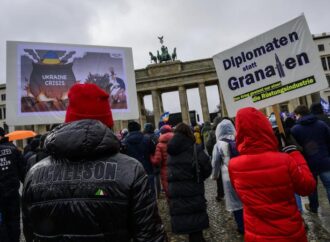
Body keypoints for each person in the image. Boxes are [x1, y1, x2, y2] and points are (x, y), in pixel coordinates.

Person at [22, 83, 166, 242]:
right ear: (108, 124)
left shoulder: (34, 174)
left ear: (68, 121)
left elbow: (31, 235)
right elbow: (150, 236)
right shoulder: (131, 170)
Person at [229, 107, 316, 242]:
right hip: (289, 233)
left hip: (256, 234)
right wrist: (295, 154)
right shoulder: (285, 160)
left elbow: (241, 194)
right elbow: (307, 187)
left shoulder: (234, 166)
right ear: (265, 127)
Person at [167, 123, 211, 242]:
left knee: (186, 218)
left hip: (177, 192)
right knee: (195, 222)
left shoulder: (171, 150)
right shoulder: (195, 148)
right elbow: (207, 168)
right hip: (193, 190)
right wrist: (200, 177)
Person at [291, 105, 330, 213]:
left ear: (298, 114)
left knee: (312, 188)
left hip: (308, 163)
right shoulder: (321, 124)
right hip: (325, 160)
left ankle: (314, 207)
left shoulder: (295, 129)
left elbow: (296, 148)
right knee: (329, 185)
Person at [211, 119, 244, 234]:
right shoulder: (239, 139)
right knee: (246, 198)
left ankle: (241, 226)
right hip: (243, 172)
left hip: (228, 175)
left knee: (235, 202)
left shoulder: (218, 144)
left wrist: (214, 176)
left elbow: (215, 162)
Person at [0, 127, 26, 242]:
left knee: (2, 223)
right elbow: (23, 172)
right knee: (14, 221)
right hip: (12, 194)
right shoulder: (13, 149)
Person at [122, 121, 156, 197]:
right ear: (139, 128)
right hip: (147, 170)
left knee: (135, 197)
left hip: (131, 173)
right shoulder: (147, 139)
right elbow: (153, 152)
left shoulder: (124, 142)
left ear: (129, 130)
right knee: (150, 195)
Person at [150, 124, 174, 198]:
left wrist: (151, 157)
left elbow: (157, 160)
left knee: (168, 191)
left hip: (165, 170)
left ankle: (171, 206)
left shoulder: (160, 144)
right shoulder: (176, 140)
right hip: (177, 168)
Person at [205, 116, 225, 202]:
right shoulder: (227, 129)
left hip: (217, 156)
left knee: (219, 176)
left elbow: (208, 145)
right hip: (228, 155)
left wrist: (211, 154)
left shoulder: (212, 132)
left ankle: (220, 194)